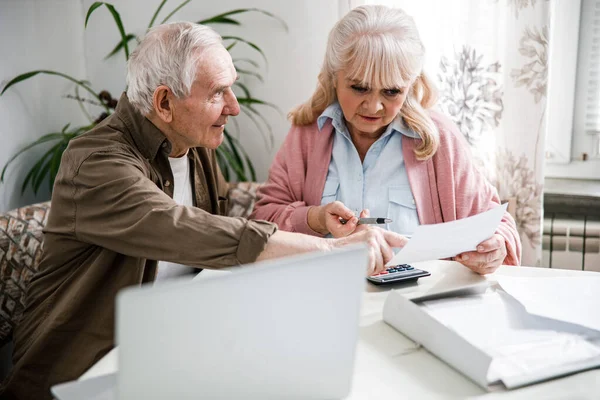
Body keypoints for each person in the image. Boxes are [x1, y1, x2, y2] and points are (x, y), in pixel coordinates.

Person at [0, 22, 407, 400]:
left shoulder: (194, 146)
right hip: (86, 374)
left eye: (232, 89)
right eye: (217, 93)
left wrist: (314, 223)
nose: (234, 107)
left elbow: (220, 241)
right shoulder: (95, 163)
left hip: (175, 350)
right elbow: (186, 230)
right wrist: (334, 254)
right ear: (164, 102)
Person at [251, 5, 521, 274]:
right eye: (360, 88)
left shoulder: (439, 139)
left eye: (391, 91)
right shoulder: (307, 134)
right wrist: (317, 219)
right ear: (335, 78)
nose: (374, 107)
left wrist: (495, 246)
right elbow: (261, 223)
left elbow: (497, 223)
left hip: (416, 303)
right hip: (325, 294)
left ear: (411, 85)